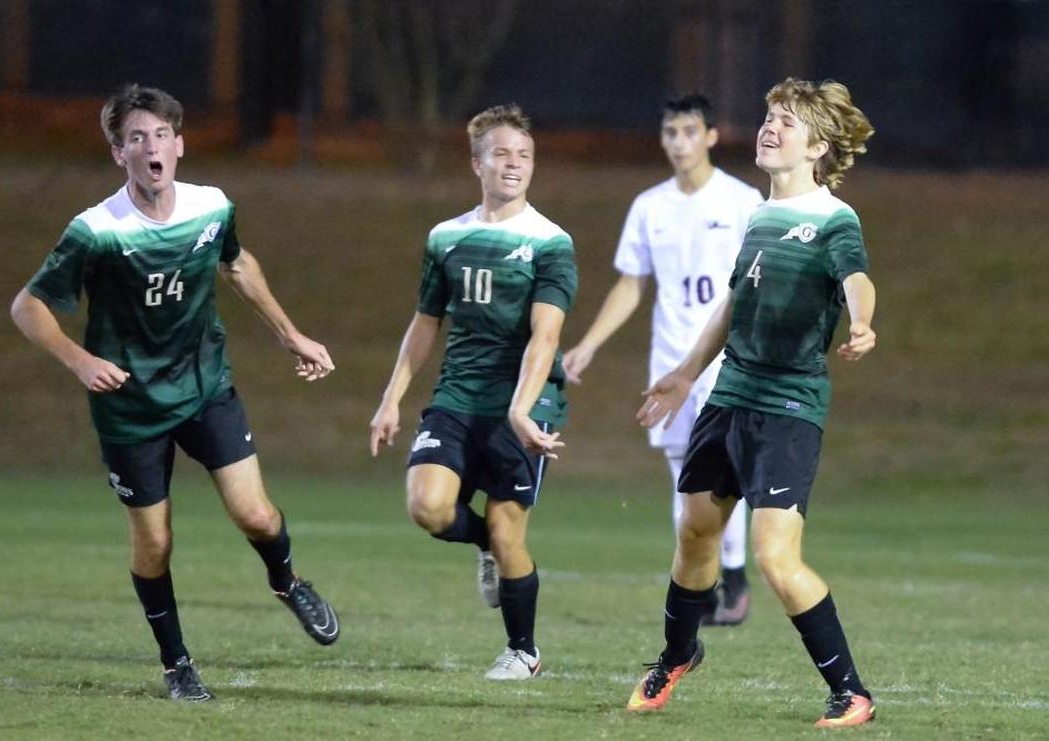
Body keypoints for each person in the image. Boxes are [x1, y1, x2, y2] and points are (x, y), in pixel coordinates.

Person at [10, 84, 341, 703]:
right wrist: (80, 362)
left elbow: (237, 265)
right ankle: (177, 664)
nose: (151, 147)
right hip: (130, 407)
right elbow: (27, 307)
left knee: (257, 515)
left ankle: (289, 582)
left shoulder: (210, 207)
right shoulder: (96, 230)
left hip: (204, 387)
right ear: (119, 154)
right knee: (155, 542)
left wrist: (291, 335)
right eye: (137, 138)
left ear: (180, 145)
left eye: (161, 135)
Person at [625, 78, 878, 729]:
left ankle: (850, 691)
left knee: (774, 557)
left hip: (788, 406)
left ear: (818, 145)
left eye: (787, 122)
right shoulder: (761, 216)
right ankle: (679, 654)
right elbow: (735, 303)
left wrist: (861, 323)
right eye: (769, 117)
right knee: (695, 533)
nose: (770, 128)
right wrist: (684, 375)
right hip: (728, 394)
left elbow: (856, 278)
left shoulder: (833, 217)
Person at [369, 104, 577, 680]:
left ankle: (523, 652)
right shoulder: (446, 237)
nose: (515, 165)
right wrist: (391, 398)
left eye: (525, 155)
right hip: (458, 397)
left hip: (525, 404)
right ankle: (483, 543)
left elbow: (546, 333)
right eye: (503, 154)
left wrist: (519, 407)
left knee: (514, 533)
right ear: (477, 164)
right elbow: (425, 323)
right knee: (428, 507)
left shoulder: (550, 242)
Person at [562, 94, 762, 626]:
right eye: (671, 132)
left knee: (726, 467)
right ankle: (698, 587)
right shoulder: (650, 207)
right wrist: (589, 343)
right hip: (670, 362)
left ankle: (735, 577)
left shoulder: (743, 201)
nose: (679, 142)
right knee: (682, 475)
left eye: (690, 131)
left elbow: (759, 281)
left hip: (725, 360)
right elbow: (631, 285)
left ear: (712, 136)